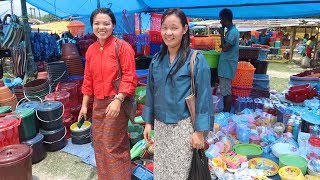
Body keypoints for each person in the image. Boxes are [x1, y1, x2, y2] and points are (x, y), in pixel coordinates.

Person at [142, 8, 213, 180]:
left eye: (174, 28)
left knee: (181, 174)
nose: (168, 33)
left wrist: (199, 132)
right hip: (161, 128)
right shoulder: (156, 61)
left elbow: (204, 97)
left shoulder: (196, 59)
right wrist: (148, 122)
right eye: (164, 28)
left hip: (183, 128)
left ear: (185, 29)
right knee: (162, 172)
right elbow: (151, 92)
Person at [79, 8, 137, 180]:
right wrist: (84, 106)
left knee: (112, 145)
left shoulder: (122, 47)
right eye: (97, 23)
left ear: (113, 25)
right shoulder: (91, 50)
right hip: (98, 104)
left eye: (106, 23)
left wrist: (118, 100)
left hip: (116, 103)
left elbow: (129, 76)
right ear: (92, 26)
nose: (101, 27)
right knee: (98, 143)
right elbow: (88, 79)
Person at [218, 8, 239, 112]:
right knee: (225, 90)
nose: (220, 21)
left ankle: (227, 112)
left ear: (225, 19)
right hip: (225, 65)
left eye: (221, 19)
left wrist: (221, 33)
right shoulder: (230, 32)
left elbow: (225, 48)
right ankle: (226, 111)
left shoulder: (233, 33)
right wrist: (223, 34)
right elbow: (224, 45)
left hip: (227, 66)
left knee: (226, 91)